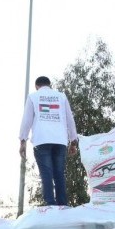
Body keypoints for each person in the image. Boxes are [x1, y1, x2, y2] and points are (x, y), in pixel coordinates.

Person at [18, 76, 78, 206]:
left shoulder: (33, 97)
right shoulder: (61, 97)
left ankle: (50, 205)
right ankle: (62, 205)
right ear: (50, 85)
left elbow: (26, 121)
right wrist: (73, 141)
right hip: (60, 141)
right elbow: (70, 119)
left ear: (36, 86)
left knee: (46, 173)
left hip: (42, 140)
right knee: (59, 173)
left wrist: (23, 141)